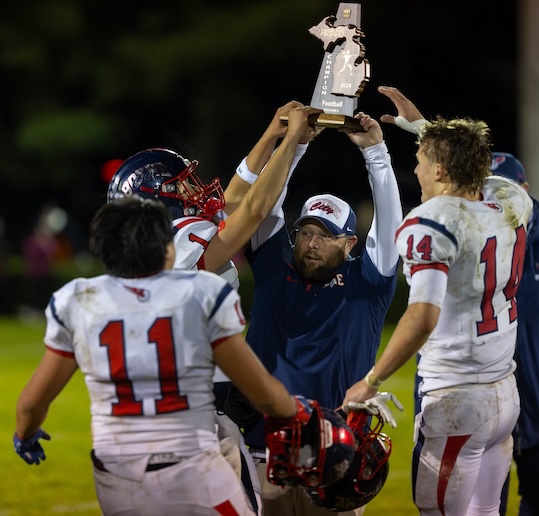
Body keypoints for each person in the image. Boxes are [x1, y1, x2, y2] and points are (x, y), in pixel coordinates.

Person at [13, 197, 314, 516]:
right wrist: (302, 414)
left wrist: (26, 434)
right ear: (166, 249)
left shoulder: (78, 300)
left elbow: (32, 404)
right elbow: (264, 395)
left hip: (118, 477)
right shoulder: (201, 293)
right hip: (192, 468)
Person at [106, 101, 323, 513]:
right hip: (191, 417)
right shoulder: (180, 242)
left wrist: (271, 137)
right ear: (154, 202)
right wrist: (292, 141)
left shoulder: (146, 250)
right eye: (180, 186)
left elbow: (234, 198)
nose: (195, 189)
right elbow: (253, 210)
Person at [343, 103, 534, 514]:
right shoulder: (510, 205)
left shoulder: (433, 219)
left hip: (456, 398)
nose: (416, 170)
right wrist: (433, 134)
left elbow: (422, 317)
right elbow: (487, 178)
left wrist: (372, 380)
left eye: (421, 161)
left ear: (441, 171)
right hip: (505, 393)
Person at [231, 110, 403, 516]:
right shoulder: (275, 265)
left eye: (325, 236)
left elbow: (391, 222)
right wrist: (297, 143)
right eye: (306, 232)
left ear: (349, 244)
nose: (311, 243)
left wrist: (376, 153)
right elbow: (262, 203)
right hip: (262, 451)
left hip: (334, 457)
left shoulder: (369, 282)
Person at [490, 152, 539, 516]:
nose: (498, 202)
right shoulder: (475, 244)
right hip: (488, 412)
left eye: (506, 192)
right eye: (489, 193)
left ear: (525, 190)